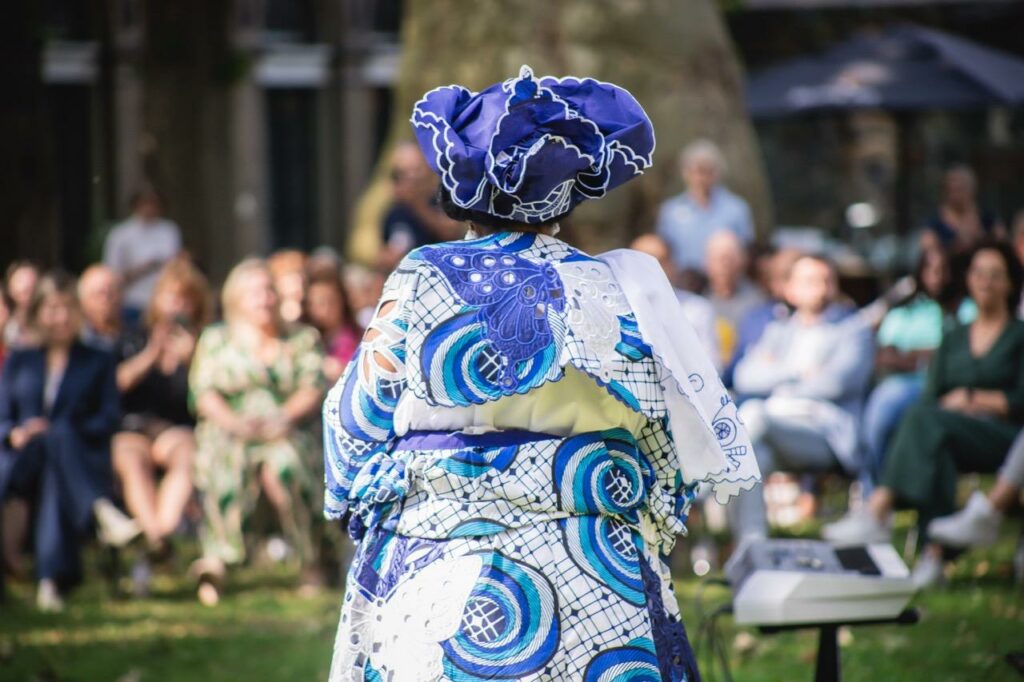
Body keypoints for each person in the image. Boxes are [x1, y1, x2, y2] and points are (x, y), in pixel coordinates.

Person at [324, 65, 759, 681]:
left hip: (442, 559)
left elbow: (356, 419)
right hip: (596, 569)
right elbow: (667, 447)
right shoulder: (616, 287)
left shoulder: (423, 275)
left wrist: (357, 501)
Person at [824, 242, 1024, 588]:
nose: (986, 282)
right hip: (954, 431)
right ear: (969, 279)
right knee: (935, 442)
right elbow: (932, 396)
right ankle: (934, 557)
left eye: (996, 275)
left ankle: (878, 509)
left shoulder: (1019, 336)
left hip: (1004, 438)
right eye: (979, 273)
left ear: (1010, 283)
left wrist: (973, 398)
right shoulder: (955, 335)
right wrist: (957, 407)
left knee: (925, 423)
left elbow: (1020, 401)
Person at [189, 259, 326, 606]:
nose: (264, 298)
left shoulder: (301, 337)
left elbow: (313, 386)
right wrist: (234, 424)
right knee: (226, 463)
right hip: (230, 428)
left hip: (286, 428)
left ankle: (311, 560)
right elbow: (203, 393)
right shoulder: (216, 339)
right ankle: (218, 561)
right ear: (235, 299)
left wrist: (284, 417)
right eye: (254, 293)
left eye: (268, 290)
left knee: (287, 467)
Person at [0, 272, 139, 611]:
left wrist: (69, 430)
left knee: (56, 453)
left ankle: (49, 581)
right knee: (51, 442)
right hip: (20, 458)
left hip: (73, 454)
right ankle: (99, 511)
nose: (60, 317)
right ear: (37, 313)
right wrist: (15, 433)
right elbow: (2, 414)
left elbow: (108, 417)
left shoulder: (97, 359)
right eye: (51, 308)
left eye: (67, 307)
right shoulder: (20, 360)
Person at [729, 255, 874, 541]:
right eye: (810, 281)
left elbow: (834, 384)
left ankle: (701, 487)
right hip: (773, 430)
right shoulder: (778, 330)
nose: (820, 287)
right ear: (790, 290)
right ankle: (753, 546)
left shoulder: (854, 329)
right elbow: (745, 375)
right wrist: (797, 372)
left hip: (826, 433)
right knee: (751, 458)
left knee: (754, 414)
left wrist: (778, 381)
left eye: (826, 280)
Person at [112, 259, 210, 558]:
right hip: (133, 429)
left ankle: (160, 534)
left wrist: (193, 360)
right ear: (157, 299)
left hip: (176, 431)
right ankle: (158, 537)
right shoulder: (133, 337)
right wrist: (152, 354)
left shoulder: (205, 344)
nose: (177, 305)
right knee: (132, 461)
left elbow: (207, 397)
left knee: (186, 454)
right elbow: (117, 384)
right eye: (171, 296)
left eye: (185, 298)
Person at [858, 249, 960, 498]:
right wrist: (925, 356)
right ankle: (874, 492)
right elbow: (884, 355)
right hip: (902, 384)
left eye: (942, 270)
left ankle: (886, 497)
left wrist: (912, 354)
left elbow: (957, 353)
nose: (937, 277)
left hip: (948, 387)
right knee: (880, 410)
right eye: (930, 270)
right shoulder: (905, 310)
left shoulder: (963, 309)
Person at [655, 139, 755, 276]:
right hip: (684, 284)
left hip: (723, 286)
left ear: (718, 172)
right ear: (685, 173)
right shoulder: (670, 210)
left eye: (707, 171)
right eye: (697, 171)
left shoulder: (736, 208)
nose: (701, 178)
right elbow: (665, 251)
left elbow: (746, 251)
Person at [630, 233, 720, 368]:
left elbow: (712, 366)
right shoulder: (616, 311)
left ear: (673, 265)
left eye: (661, 261)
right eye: (642, 262)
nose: (651, 268)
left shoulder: (697, 310)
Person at [103, 187, 183, 322]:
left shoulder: (169, 230)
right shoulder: (120, 234)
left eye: (154, 203)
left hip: (164, 303)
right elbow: (111, 276)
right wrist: (144, 268)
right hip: (132, 303)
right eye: (145, 202)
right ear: (135, 205)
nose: (150, 207)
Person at [379, 142, 462, 270]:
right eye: (399, 175)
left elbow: (450, 232)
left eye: (412, 173)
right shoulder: (395, 213)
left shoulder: (441, 201)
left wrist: (417, 204)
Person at [704, 230, 766, 368]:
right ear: (706, 262)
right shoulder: (697, 300)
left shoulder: (759, 301)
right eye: (718, 259)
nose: (725, 265)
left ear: (743, 260)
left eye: (730, 258)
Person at [921, 165, 1005, 255]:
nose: (956, 195)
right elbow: (928, 251)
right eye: (952, 189)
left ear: (972, 188)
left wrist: (981, 238)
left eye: (960, 189)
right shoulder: (934, 220)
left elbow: (1003, 244)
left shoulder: (987, 217)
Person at [305, 269, 362, 384]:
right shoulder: (305, 337)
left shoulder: (359, 337)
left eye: (330, 301)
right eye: (317, 303)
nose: (325, 309)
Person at [78, 264, 124, 351]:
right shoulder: (77, 342)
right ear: (83, 301)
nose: (106, 299)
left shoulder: (136, 336)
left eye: (111, 293)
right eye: (100, 293)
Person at [4, 261, 41, 349]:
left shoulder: (49, 323)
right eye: (20, 280)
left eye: (31, 280)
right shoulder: (4, 320)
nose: (26, 286)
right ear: (9, 287)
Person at [267, 249, 308, 326]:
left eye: (301, 277)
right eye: (293, 279)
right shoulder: (270, 315)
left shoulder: (312, 312)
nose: (299, 284)